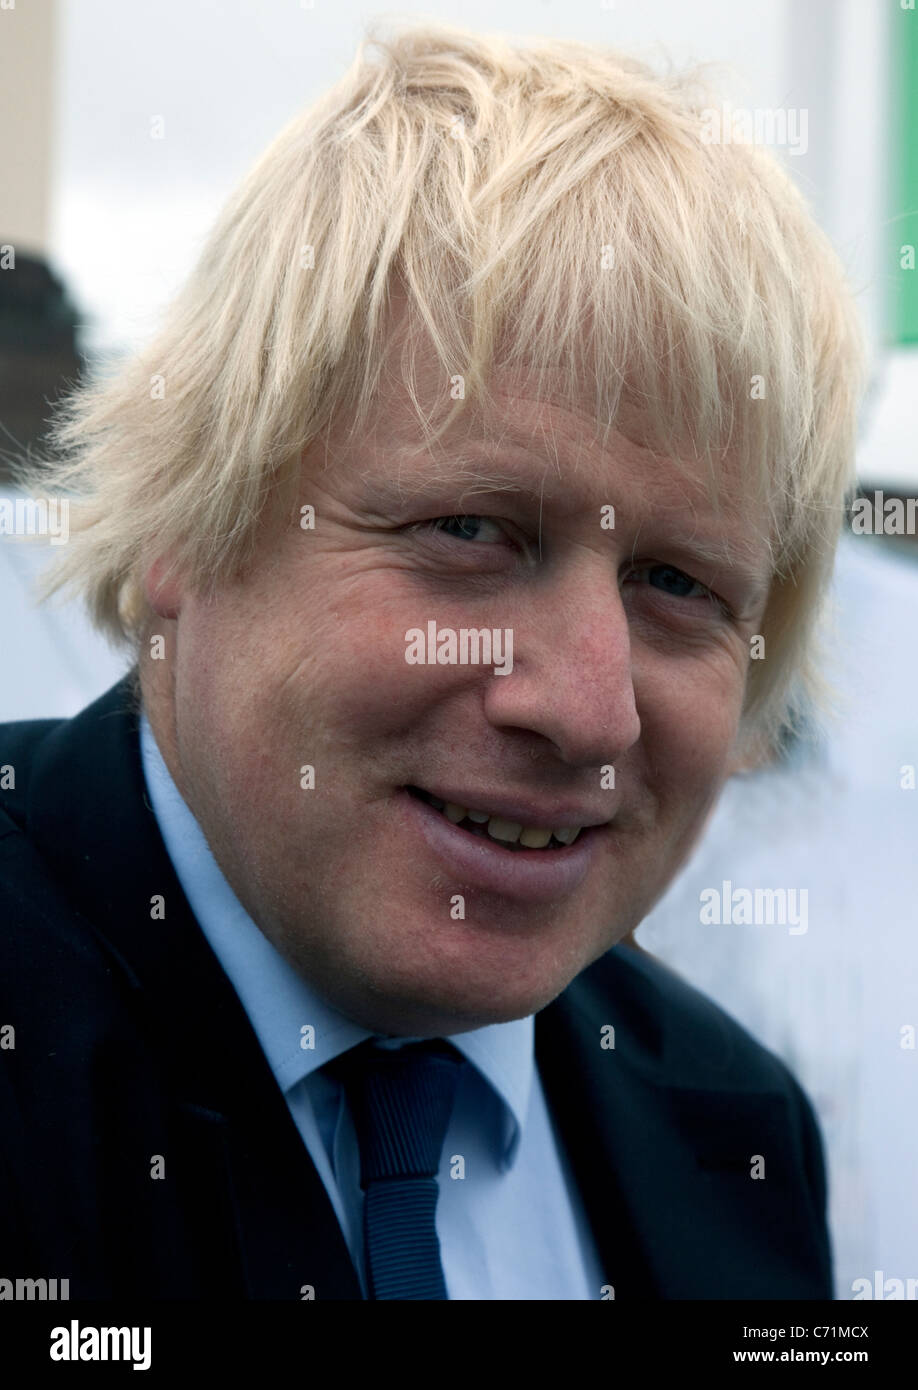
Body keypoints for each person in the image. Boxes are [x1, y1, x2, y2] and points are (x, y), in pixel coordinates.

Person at [0, 21, 863, 1299]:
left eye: (677, 584)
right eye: (470, 531)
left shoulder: (736, 1143)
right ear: (190, 520)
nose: (588, 709)